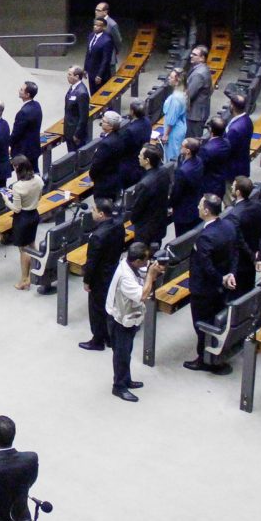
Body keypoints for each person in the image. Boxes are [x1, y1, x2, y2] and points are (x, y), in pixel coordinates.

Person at [184, 194, 239, 374]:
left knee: (201, 323)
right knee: (215, 319)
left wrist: (221, 278)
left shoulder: (205, 237)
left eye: (200, 205)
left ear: (207, 211)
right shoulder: (228, 226)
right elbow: (235, 253)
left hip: (204, 288)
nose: (197, 207)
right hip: (221, 286)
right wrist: (230, 274)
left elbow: (206, 267)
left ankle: (204, 359)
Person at [105, 242, 160, 402]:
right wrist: (151, 276)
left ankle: (126, 379)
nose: (147, 263)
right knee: (121, 354)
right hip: (119, 320)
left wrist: (151, 271)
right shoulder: (125, 277)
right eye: (145, 260)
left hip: (128, 317)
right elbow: (142, 295)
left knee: (126, 352)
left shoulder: (129, 264)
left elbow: (142, 274)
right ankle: (119, 386)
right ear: (136, 261)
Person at [78, 197, 126, 352]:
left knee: (96, 309)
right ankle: (109, 337)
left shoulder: (98, 236)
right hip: (113, 270)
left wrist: (87, 281)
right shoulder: (119, 226)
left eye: (94, 209)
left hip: (99, 277)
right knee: (109, 305)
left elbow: (92, 262)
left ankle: (97, 340)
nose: (91, 212)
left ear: (101, 214)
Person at [8, 158, 43, 291]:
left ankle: (24, 279)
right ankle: (36, 270)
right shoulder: (38, 179)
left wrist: (6, 200)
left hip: (22, 218)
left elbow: (16, 209)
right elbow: (39, 197)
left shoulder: (18, 187)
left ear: (18, 168)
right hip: (34, 214)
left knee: (23, 249)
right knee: (32, 243)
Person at [124, 145, 171, 247]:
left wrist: (132, 219)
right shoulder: (164, 171)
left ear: (147, 161)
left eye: (140, 155)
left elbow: (138, 208)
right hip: (160, 222)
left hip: (146, 229)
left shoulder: (144, 185)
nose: (138, 157)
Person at [225, 176, 261, 292]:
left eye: (233, 186)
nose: (231, 188)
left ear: (238, 192)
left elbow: (239, 241)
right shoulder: (258, 206)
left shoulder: (233, 215)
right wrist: (257, 254)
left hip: (241, 261)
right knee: (249, 289)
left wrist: (252, 256)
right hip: (253, 256)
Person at [86, 111, 133, 199]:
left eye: (104, 121)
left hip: (104, 183)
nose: (101, 122)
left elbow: (97, 164)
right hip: (115, 179)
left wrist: (92, 176)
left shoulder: (106, 144)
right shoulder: (119, 137)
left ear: (111, 126)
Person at [169, 137, 204, 237]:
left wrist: (170, 204)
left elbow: (177, 192)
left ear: (188, 151)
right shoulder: (199, 161)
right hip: (194, 204)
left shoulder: (183, 171)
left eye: (182, 146)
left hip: (183, 211)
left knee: (182, 238)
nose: (180, 147)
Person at [10, 82, 43, 168]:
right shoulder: (37, 105)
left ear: (27, 95)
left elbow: (16, 134)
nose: (19, 90)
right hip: (34, 149)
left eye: (21, 90)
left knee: (24, 175)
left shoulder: (23, 113)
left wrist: (8, 144)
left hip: (23, 153)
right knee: (35, 172)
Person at [222, 92, 253, 182]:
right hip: (242, 165)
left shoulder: (234, 130)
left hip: (233, 171)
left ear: (232, 106)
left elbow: (227, 149)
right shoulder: (247, 120)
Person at [198, 116, 231, 198]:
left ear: (210, 130)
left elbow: (201, 167)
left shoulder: (206, 149)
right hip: (220, 183)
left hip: (208, 186)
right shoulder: (227, 143)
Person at [161, 69, 188, 163]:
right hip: (181, 125)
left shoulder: (175, 98)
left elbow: (171, 119)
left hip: (173, 131)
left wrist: (166, 135)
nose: (169, 78)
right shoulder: (183, 92)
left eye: (171, 77)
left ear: (177, 81)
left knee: (171, 158)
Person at [62, 66, 92, 150]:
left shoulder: (82, 93)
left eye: (69, 74)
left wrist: (77, 134)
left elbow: (84, 116)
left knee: (75, 155)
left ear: (77, 77)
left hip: (75, 133)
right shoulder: (73, 87)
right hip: (69, 130)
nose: (67, 76)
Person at [84, 19, 115, 94]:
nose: (95, 27)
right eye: (95, 25)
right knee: (92, 93)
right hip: (91, 71)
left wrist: (100, 75)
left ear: (104, 27)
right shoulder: (91, 36)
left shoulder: (107, 40)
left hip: (100, 73)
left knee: (100, 94)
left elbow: (106, 59)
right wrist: (85, 68)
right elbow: (88, 53)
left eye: (98, 26)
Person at [185, 45, 212, 127]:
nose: (191, 56)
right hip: (198, 113)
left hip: (195, 116)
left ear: (202, 58)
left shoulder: (198, 74)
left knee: (192, 135)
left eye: (194, 54)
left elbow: (189, 95)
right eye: (191, 53)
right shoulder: (202, 69)